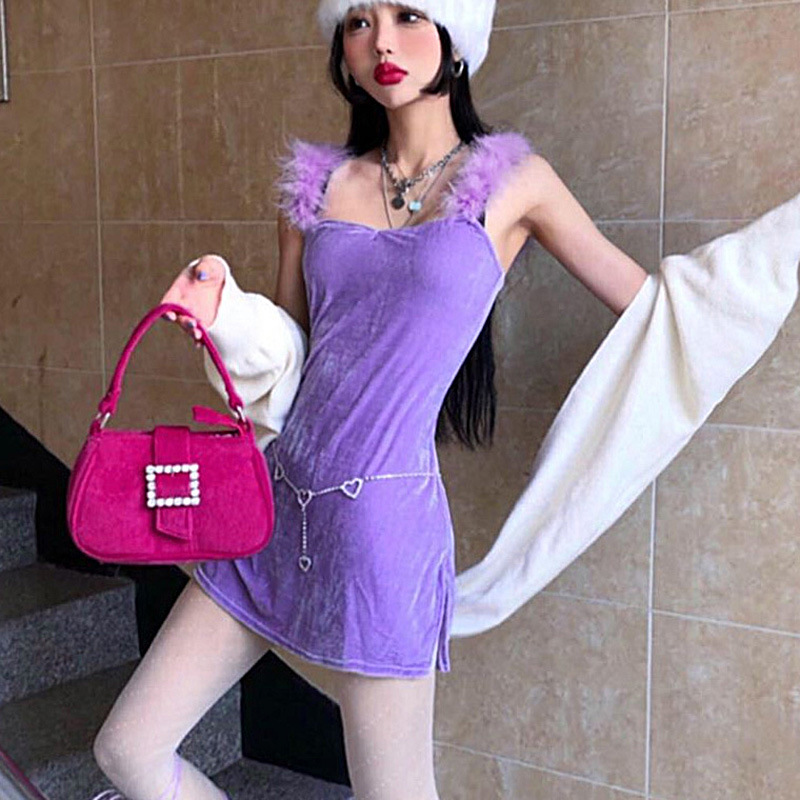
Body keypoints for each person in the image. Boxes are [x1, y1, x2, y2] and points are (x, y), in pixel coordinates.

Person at [88, 1, 800, 799]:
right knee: (128, 748)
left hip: (384, 534)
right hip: (272, 508)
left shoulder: (516, 182)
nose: (382, 42)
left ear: (456, 35)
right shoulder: (314, 189)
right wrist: (223, 314)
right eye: (359, 22)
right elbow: (288, 359)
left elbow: (657, 318)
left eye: (408, 14)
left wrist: (773, 258)